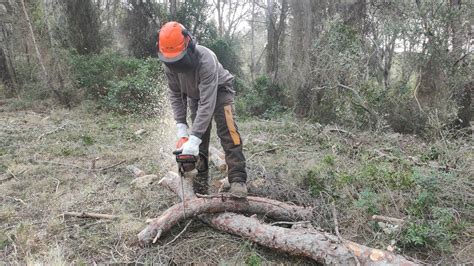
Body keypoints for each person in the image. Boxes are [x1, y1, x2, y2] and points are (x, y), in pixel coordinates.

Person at [156, 21, 247, 198]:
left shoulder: (206, 59)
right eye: (172, 61)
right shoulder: (169, 63)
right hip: (195, 96)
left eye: (179, 60)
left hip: (220, 90)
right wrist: (181, 127)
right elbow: (175, 94)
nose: (176, 66)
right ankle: (200, 184)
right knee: (200, 139)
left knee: (228, 130)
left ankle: (237, 179)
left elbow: (208, 102)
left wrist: (194, 137)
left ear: (189, 45)